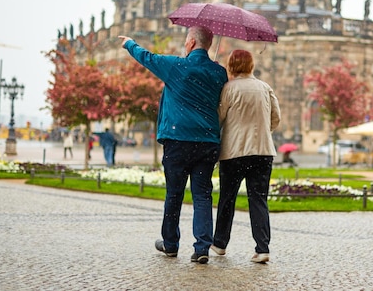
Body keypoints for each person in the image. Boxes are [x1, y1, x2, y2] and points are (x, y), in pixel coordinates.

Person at [118, 26, 228, 265]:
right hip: (207, 140)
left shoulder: (176, 66)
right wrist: (213, 71)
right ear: (208, 45)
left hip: (178, 140)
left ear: (190, 43)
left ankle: (170, 244)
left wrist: (129, 43)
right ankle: (202, 248)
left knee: (174, 194)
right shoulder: (219, 72)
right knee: (202, 196)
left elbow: (147, 58)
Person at [211, 50, 281, 264]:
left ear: (231, 66)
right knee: (258, 199)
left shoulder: (228, 89)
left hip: (234, 152)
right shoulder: (264, 87)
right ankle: (262, 248)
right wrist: (262, 132)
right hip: (262, 151)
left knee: (227, 199)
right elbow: (276, 117)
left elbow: (218, 118)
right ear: (251, 65)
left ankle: (220, 243)